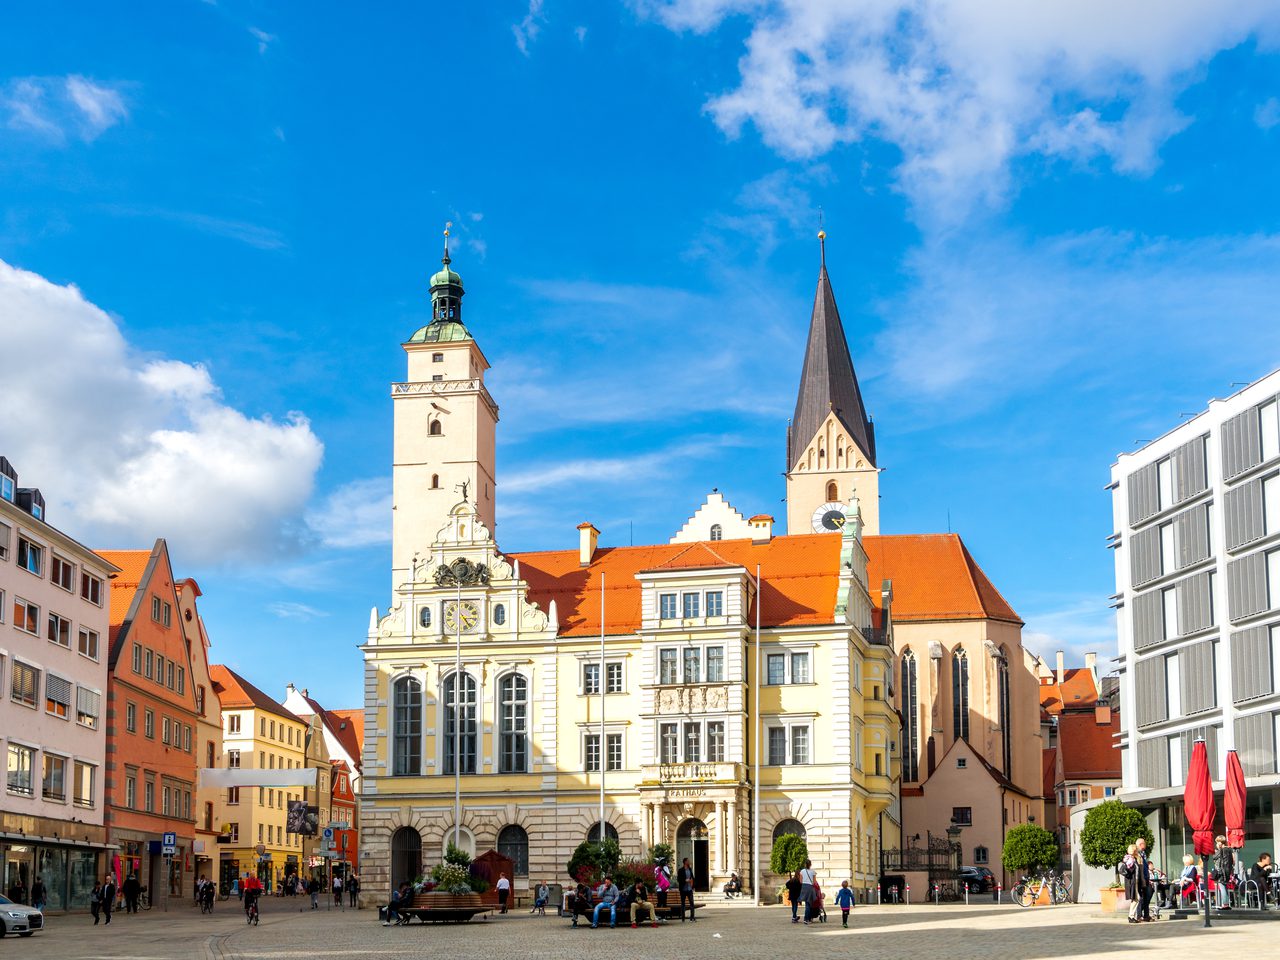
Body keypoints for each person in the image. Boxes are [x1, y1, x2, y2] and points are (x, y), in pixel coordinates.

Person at [1135, 838, 1154, 921]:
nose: (1145, 845)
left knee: (1148, 894)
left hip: (1145, 878)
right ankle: (1138, 915)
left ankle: (1146, 915)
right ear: (1140, 844)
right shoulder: (1136, 853)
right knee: (1139, 897)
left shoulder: (1143, 853)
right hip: (1140, 878)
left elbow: (1145, 865)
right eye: (1144, 844)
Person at [1213, 836, 1235, 909]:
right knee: (1224, 887)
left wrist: (1217, 849)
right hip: (1227, 871)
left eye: (1217, 842)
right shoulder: (1229, 849)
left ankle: (1225, 904)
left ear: (1220, 842)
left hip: (1221, 872)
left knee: (1222, 887)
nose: (1216, 844)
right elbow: (1233, 861)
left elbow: (1214, 857)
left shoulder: (1221, 850)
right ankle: (1226, 904)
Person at [678, 857, 697, 922]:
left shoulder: (690, 869)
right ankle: (683, 917)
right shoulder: (680, 870)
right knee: (683, 904)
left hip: (689, 889)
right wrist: (685, 880)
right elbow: (679, 879)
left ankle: (692, 917)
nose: (689, 862)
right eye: (688, 861)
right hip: (683, 889)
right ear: (685, 862)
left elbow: (692, 877)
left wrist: (692, 883)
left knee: (692, 903)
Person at [799, 859, 817, 925]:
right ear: (810, 864)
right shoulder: (813, 872)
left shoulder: (802, 871)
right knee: (809, 905)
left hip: (804, 887)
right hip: (810, 887)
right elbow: (814, 882)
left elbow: (800, 881)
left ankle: (807, 918)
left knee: (807, 904)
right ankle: (806, 919)